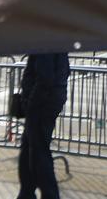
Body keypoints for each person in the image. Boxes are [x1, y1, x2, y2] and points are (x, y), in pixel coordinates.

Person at [18, 52, 70, 199]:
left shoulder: (46, 44)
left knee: (38, 152)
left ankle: (48, 194)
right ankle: (27, 192)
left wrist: (30, 102)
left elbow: (45, 78)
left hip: (42, 103)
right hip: (47, 100)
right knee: (30, 148)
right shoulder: (54, 41)